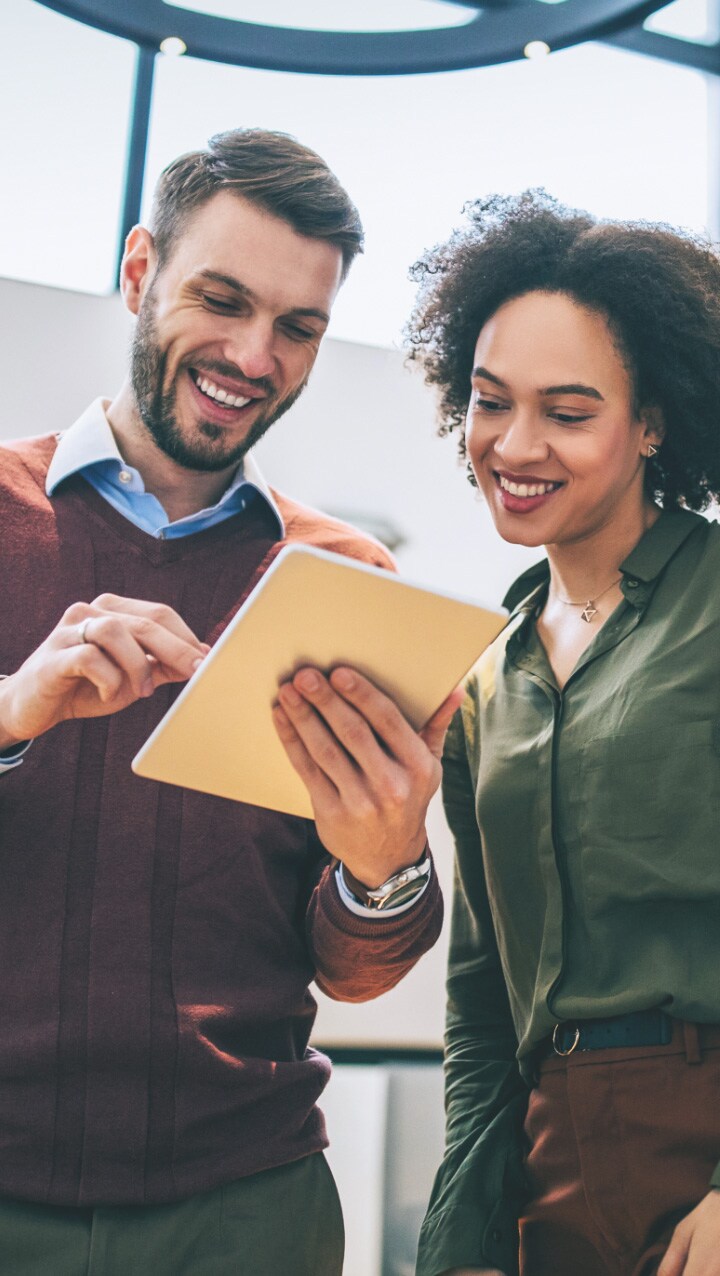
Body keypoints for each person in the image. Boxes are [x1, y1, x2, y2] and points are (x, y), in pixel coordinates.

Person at [0, 128, 458, 1276]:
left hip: (246, 1209)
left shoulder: (352, 580)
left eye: (298, 327)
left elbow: (355, 964)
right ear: (141, 272)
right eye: (222, 299)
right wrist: (10, 714)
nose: (255, 354)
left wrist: (383, 861)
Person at [405, 191, 720, 1276]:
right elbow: (483, 1002)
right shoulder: (486, 673)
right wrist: (466, 1236)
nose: (516, 445)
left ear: (654, 421)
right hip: (548, 1166)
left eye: (570, 412)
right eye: (492, 402)